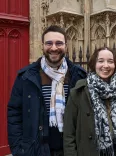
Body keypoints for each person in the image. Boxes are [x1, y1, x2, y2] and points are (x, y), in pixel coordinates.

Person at [7, 25, 86, 156]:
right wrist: (19, 149)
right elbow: (14, 113)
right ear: (42, 46)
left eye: (59, 43)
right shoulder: (26, 77)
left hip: (71, 150)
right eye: (49, 43)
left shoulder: (78, 76)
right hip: (36, 150)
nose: (54, 48)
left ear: (66, 46)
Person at [63, 47, 116, 156]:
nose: (105, 65)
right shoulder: (79, 91)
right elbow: (69, 133)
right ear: (93, 64)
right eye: (100, 61)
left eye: (110, 61)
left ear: (115, 65)